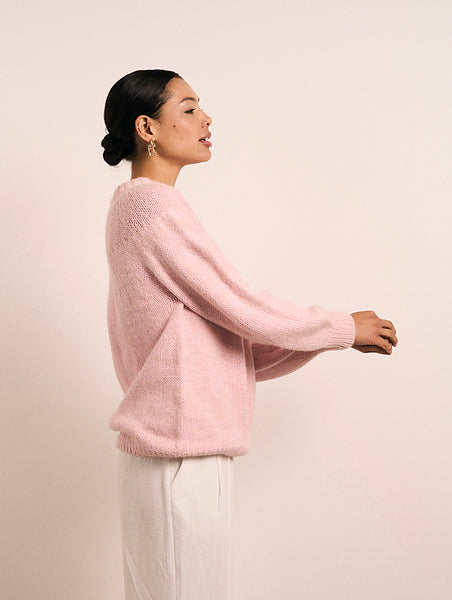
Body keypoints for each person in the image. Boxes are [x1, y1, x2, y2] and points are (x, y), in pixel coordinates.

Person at [101, 69, 398, 600]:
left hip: (178, 451)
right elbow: (239, 306)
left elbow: (227, 341)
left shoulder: (139, 207)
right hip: (179, 456)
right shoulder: (152, 208)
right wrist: (338, 327)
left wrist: (329, 338)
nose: (207, 119)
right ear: (147, 128)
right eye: (189, 109)